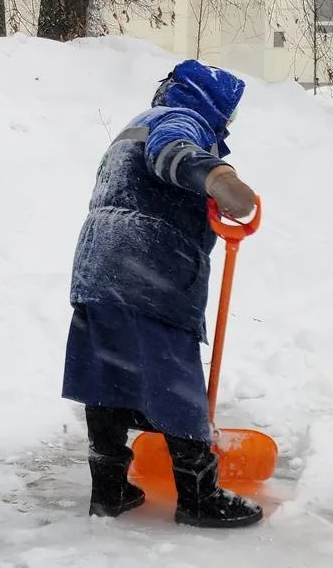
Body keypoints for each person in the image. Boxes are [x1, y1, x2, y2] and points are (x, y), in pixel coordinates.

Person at [63, 59, 263, 528]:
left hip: (99, 267)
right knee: (176, 384)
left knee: (106, 380)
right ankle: (198, 496)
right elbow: (170, 151)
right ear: (207, 103)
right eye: (227, 114)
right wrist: (220, 179)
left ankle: (109, 491)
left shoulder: (134, 123)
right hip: (147, 271)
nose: (227, 124)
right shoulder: (181, 121)